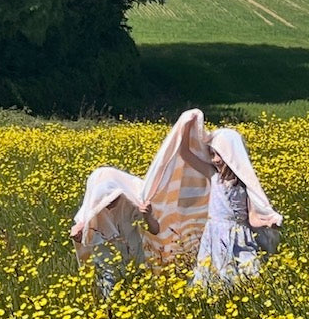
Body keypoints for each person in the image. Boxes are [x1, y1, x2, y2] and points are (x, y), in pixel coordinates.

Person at [179, 117, 282, 287]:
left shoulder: (245, 184)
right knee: (214, 275)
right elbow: (185, 154)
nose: (215, 160)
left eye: (218, 154)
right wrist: (185, 127)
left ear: (231, 154)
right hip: (215, 235)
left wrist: (269, 223)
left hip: (240, 237)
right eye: (212, 154)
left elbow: (252, 218)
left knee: (249, 276)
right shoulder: (213, 175)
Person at [70, 167, 159, 297]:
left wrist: (148, 216)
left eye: (113, 198)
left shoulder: (131, 203)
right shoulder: (88, 214)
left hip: (135, 260)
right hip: (108, 266)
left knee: (141, 293)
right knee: (110, 299)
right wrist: (78, 236)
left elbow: (155, 230)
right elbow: (84, 243)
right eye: (104, 200)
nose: (110, 202)